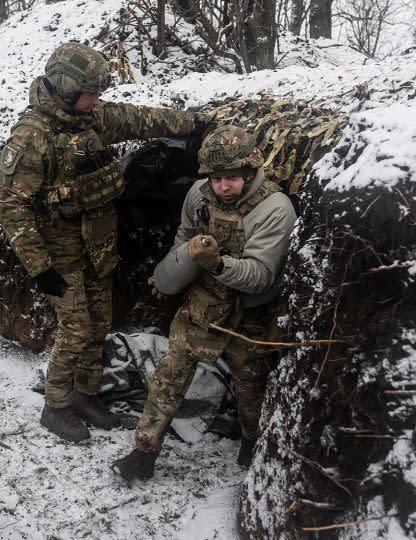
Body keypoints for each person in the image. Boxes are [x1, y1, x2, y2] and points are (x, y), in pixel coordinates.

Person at [0, 42, 207, 442]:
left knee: (99, 325)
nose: (97, 101)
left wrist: (193, 124)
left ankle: (86, 395)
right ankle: (55, 406)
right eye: (90, 93)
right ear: (64, 87)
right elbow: (13, 208)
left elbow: (143, 119)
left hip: (98, 249)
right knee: (75, 330)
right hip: (60, 256)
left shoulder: (93, 119)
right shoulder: (31, 139)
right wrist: (39, 268)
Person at [113, 125, 298, 481]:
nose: (223, 187)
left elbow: (261, 275)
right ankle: (143, 452)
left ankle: (250, 441)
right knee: (168, 375)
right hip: (203, 302)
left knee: (251, 387)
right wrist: (176, 267)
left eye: (232, 177)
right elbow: (182, 238)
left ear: (250, 171)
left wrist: (215, 263)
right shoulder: (199, 195)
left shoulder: (276, 209)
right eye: (216, 178)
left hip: (249, 312)